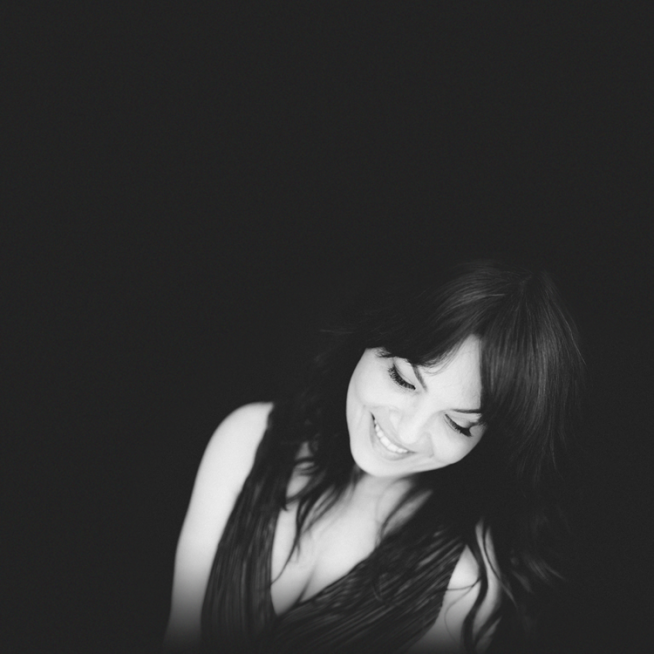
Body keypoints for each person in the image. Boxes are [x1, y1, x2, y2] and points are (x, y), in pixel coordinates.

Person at [162, 258, 585, 654]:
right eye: (403, 379)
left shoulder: (463, 585)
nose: (409, 431)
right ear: (371, 335)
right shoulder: (247, 439)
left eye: (458, 424)